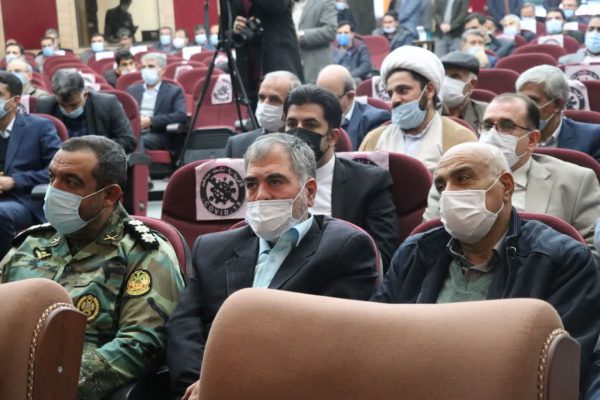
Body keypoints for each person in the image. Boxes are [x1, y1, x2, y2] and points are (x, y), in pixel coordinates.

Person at [372, 141, 600, 399]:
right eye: (441, 186)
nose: (449, 194)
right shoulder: (415, 252)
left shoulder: (561, 260)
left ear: (506, 186)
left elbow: (561, 369)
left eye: (463, 178)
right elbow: (378, 337)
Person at [166, 133, 380, 399]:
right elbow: (184, 326)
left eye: (275, 181)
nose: (261, 195)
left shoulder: (345, 249)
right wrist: (203, 383)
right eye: (251, 184)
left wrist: (226, 382)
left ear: (309, 192)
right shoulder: (211, 248)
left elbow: (333, 346)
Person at [0, 135, 185, 399]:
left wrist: (48, 383)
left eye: (71, 182)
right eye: (52, 177)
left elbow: (141, 344)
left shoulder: (143, 253)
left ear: (109, 195)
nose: (54, 190)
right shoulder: (29, 244)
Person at [424, 93, 600, 261]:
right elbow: (428, 244)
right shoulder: (449, 180)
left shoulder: (576, 181)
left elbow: (592, 253)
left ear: (532, 140)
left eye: (507, 125)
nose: (493, 134)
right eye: (487, 125)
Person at [284, 85, 399, 268]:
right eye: (291, 124)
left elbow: (380, 256)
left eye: (310, 125)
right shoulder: (266, 180)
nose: (298, 132)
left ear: (332, 137)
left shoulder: (370, 183)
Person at [359, 46, 477, 172]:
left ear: (429, 91)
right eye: (390, 94)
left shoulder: (460, 139)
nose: (394, 100)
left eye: (403, 90)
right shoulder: (374, 139)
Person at [0, 72, 60, 258]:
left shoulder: (40, 127)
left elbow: (57, 170)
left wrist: (14, 181)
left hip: (25, 199)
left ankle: (7, 268)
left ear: (15, 100)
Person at [36, 70, 136, 153]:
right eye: (63, 105)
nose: (69, 111)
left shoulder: (107, 104)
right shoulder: (45, 106)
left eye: (74, 105)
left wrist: (93, 148)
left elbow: (128, 141)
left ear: (85, 94)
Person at [516, 64, 600, 162]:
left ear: (557, 104)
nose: (523, 107)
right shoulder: (508, 134)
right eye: (520, 99)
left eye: (532, 100)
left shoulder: (593, 137)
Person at [231, 0, 304, 105]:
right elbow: (225, 35)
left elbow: (277, 5)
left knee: (286, 106)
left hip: (278, 60)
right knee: (256, 110)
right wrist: (235, 30)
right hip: (249, 68)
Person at [225, 71, 302, 157]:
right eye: (261, 97)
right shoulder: (237, 145)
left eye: (274, 99)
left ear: (293, 105)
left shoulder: (305, 143)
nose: (265, 104)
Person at [316, 64, 390, 149]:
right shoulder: (311, 118)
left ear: (350, 97)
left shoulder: (374, 121)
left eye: (329, 99)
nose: (322, 104)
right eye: (319, 98)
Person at [127, 52, 187, 151]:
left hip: (158, 134)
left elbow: (181, 115)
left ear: (162, 70)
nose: (146, 70)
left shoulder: (174, 91)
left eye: (151, 66)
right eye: (143, 67)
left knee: (138, 141)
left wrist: (151, 121)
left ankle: (138, 161)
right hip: (134, 131)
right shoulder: (132, 90)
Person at [439, 51, 488, 129]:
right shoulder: (427, 112)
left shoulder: (486, 114)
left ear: (471, 84)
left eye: (455, 76)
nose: (446, 82)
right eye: (443, 76)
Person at [294, 0, 337, 83]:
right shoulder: (285, 4)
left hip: (313, 69)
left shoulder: (325, 2)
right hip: (289, 68)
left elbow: (330, 30)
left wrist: (301, 36)